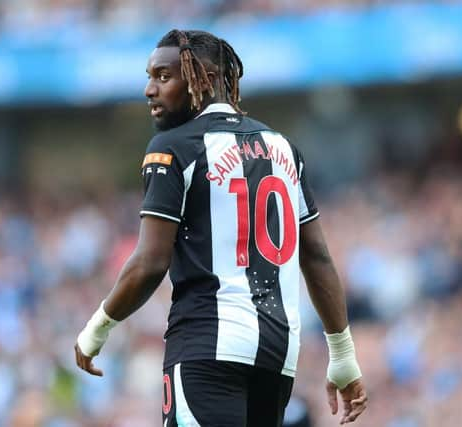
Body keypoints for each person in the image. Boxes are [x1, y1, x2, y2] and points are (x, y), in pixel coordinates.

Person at [74, 29, 368, 426]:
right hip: (276, 355)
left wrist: (97, 328)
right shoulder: (282, 147)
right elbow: (315, 255)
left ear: (206, 80)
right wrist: (343, 354)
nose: (149, 89)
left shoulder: (172, 148)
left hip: (205, 349)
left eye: (164, 76)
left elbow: (150, 262)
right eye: (150, 76)